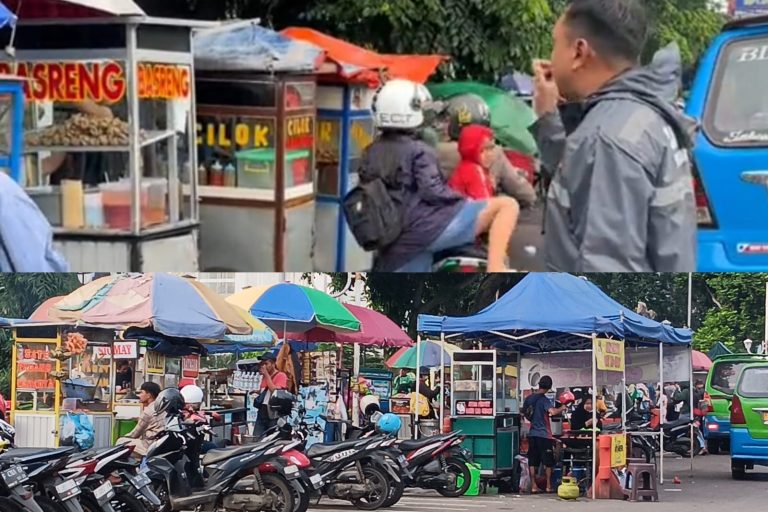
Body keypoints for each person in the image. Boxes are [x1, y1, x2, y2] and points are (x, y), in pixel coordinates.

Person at [529, 0, 697, 272]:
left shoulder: (607, 138)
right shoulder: (642, 116)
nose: (552, 55)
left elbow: (607, 267)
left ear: (579, 52)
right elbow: (582, 182)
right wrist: (548, 118)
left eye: (555, 43)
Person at [356, 78, 520, 272]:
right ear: (409, 113)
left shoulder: (369, 152)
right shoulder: (419, 150)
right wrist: (462, 200)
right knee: (507, 206)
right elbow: (434, 192)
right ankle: (496, 269)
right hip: (429, 230)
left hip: (396, 241)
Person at [436, 94, 537, 208]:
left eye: (447, 121)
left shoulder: (435, 150)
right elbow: (525, 194)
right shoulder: (493, 151)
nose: (443, 126)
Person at [522, 376, 567, 494]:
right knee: (548, 462)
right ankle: (548, 485)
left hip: (532, 433)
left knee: (532, 461)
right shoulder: (544, 400)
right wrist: (562, 407)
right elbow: (552, 412)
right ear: (549, 387)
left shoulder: (529, 398)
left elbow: (524, 412)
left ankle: (534, 486)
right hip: (544, 435)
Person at [448, 124, 497, 200]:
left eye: (491, 148)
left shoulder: (465, 166)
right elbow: (486, 206)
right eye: (482, 150)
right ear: (471, 150)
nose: (489, 154)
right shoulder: (474, 170)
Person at [117, 382, 163, 457]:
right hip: (157, 443)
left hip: (149, 445)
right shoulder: (161, 407)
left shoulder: (148, 411)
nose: (139, 395)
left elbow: (134, 434)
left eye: (141, 392)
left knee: (120, 442)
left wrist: (123, 437)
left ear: (148, 395)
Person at [253, 353, 288, 436]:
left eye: (266, 364)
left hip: (273, 413)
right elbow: (264, 391)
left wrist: (266, 375)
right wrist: (256, 391)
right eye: (262, 364)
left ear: (273, 363)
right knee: (257, 437)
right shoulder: (264, 377)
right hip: (262, 411)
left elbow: (274, 391)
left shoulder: (281, 376)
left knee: (272, 437)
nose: (264, 366)